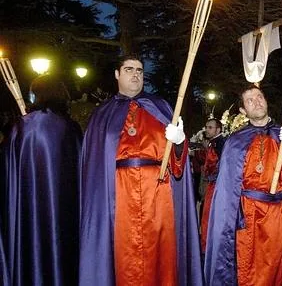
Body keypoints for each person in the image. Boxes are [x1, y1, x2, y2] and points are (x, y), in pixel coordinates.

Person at [79, 55, 202, 285]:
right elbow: (95, 165)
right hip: (119, 193)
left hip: (158, 191)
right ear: (117, 74)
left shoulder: (161, 108)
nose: (135, 74)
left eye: (140, 71)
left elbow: (178, 165)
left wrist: (178, 143)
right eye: (129, 69)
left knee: (162, 251)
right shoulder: (102, 115)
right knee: (123, 253)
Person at [204, 84, 282, 286]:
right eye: (249, 100)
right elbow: (227, 188)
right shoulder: (235, 141)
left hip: (277, 216)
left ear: (266, 100)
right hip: (248, 217)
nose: (256, 102)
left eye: (259, 97)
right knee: (250, 273)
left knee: (280, 269)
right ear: (243, 110)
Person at [1, 75, 82, 286]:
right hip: (65, 216)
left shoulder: (21, 127)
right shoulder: (71, 128)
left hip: (27, 212)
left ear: (36, 94)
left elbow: (7, 170)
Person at [200, 118, 226, 254]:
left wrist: (212, 178)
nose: (207, 129)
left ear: (218, 130)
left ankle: (210, 247)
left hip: (216, 186)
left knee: (210, 215)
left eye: (210, 127)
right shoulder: (214, 143)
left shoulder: (219, 144)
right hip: (213, 184)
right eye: (206, 127)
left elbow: (221, 165)